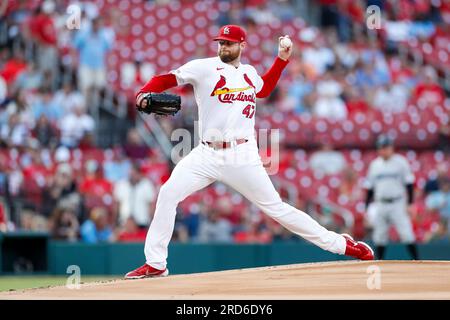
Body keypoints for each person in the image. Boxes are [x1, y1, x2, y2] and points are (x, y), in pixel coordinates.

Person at [125, 25, 373, 280]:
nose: (223, 47)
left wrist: (281, 60)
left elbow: (263, 89)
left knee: (276, 208)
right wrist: (143, 92)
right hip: (206, 153)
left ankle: (341, 245)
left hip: (242, 154)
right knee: (168, 193)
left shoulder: (249, 73)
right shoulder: (204, 67)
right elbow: (167, 79)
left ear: (242, 46)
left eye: (229, 43)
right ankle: (156, 263)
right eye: (221, 42)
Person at [364, 134, 419, 260]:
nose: (383, 150)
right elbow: (370, 189)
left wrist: (410, 203)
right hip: (381, 203)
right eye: (381, 147)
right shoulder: (375, 165)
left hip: (398, 202)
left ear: (391, 148)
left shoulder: (401, 162)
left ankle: (417, 260)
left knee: (406, 234)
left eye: (385, 147)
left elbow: (409, 183)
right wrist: (366, 208)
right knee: (379, 235)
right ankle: (379, 262)